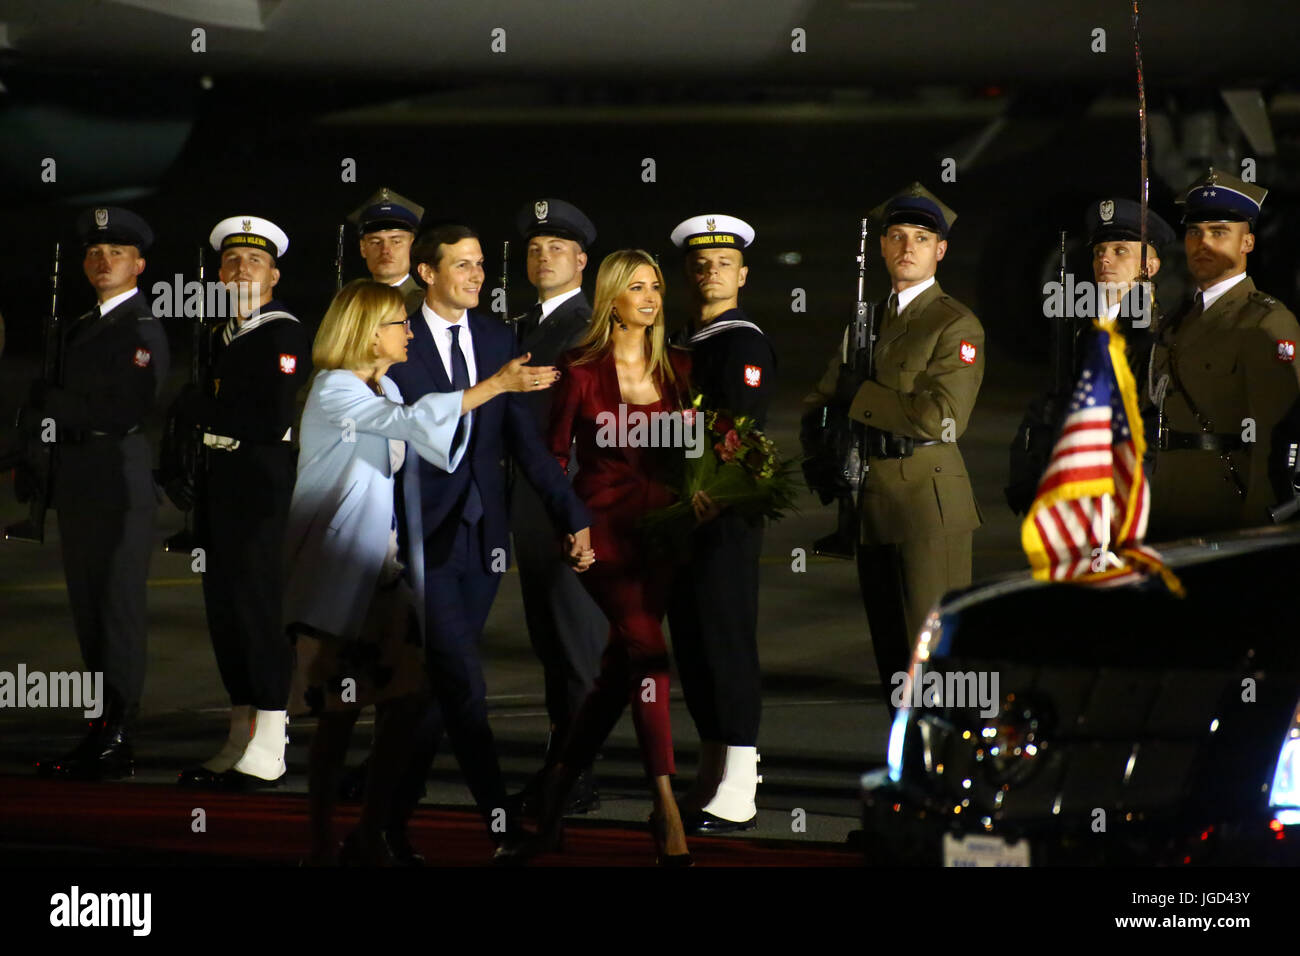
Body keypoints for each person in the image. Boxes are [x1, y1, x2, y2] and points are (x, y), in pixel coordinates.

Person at [284, 279, 551, 863]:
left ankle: (375, 832)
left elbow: (429, 438)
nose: (408, 331)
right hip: (339, 579)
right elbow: (412, 425)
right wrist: (495, 386)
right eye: (397, 324)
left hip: (382, 576)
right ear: (366, 334)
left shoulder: (375, 387)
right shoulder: (335, 391)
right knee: (338, 716)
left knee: (407, 702)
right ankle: (321, 842)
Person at [385, 223, 593, 860]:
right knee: (464, 684)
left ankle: (385, 822)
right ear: (428, 273)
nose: (479, 276)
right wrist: (497, 386)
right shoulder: (398, 337)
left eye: (480, 265)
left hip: (481, 540)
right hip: (418, 536)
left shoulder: (498, 337)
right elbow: (422, 421)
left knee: (437, 687)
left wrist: (571, 513)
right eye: (464, 266)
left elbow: (524, 446)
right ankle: (500, 825)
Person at [533, 248, 694, 864]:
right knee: (650, 653)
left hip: (661, 535)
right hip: (600, 533)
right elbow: (550, 458)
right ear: (611, 299)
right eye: (636, 288)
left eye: (655, 286)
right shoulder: (578, 368)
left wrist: (704, 497)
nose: (650, 298)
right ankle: (666, 806)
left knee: (616, 672)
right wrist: (568, 525)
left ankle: (554, 790)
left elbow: (698, 447)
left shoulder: (680, 366)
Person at [806, 183, 984, 710]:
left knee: (934, 663)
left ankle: (948, 776)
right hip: (869, 506)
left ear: (940, 251)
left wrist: (858, 397)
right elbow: (822, 395)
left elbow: (943, 418)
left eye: (922, 238)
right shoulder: (868, 320)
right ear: (882, 247)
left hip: (926, 508)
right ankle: (905, 770)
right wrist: (821, 449)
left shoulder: (953, 323)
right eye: (898, 236)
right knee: (892, 664)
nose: (908, 247)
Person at [31, 207, 170, 780]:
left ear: (138, 265)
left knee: (114, 615)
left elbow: (122, 410)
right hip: (84, 488)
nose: (102, 260)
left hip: (116, 490)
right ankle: (100, 728)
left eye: (116, 252)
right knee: (91, 617)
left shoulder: (139, 328)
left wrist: (52, 406)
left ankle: (117, 734)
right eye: (94, 252)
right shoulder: (85, 324)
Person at [174, 215, 312, 790]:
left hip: (261, 489)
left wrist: (201, 410)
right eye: (230, 262)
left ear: (274, 275)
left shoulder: (282, 333)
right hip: (224, 487)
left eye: (253, 262)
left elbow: (272, 417)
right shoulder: (217, 333)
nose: (239, 270)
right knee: (226, 616)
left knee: (257, 613)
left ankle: (273, 742)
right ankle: (241, 735)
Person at [664, 213, 774, 833]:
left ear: (744, 275)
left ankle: (740, 780)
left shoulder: (742, 343)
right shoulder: (684, 338)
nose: (712, 272)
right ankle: (712, 772)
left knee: (726, 643)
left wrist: (714, 492)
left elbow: (740, 429)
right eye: (702, 264)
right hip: (683, 513)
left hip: (723, 513)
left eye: (724, 264)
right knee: (697, 646)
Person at [510, 198, 608, 814]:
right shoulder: (524, 326)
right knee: (552, 644)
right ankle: (561, 764)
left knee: (577, 648)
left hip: (566, 499)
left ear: (581, 260)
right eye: (535, 248)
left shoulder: (588, 327)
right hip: (531, 502)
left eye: (558, 248)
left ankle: (578, 774)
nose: (544, 257)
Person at [1147, 168, 1300, 538]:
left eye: (1219, 233)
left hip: (1226, 510)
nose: (1204, 244)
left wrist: (1256, 527)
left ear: (1247, 243)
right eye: (1194, 232)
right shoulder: (1177, 320)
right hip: (1168, 506)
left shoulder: (1264, 323)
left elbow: (1275, 438)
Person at [1006, 198, 1175, 512]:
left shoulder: (1165, 335)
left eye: (1120, 251)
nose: (1105, 260)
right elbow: (1049, 403)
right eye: (1099, 252)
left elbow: (1160, 421)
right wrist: (1027, 474)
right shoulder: (1079, 331)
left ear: (1149, 267)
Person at [348, 187, 426, 313]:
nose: (385, 250)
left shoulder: (427, 306)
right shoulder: (350, 306)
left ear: (412, 247)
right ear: (363, 248)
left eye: (396, 241)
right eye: (376, 242)